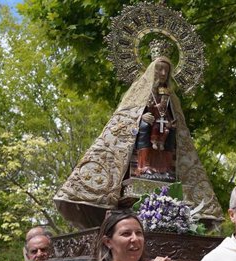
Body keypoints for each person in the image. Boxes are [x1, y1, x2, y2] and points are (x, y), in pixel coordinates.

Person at [54, 40, 222, 229]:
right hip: (143, 144)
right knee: (144, 135)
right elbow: (125, 128)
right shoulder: (138, 97)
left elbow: (177, 129)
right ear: (152, 71)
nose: (163, 74)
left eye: (167, 70)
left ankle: (163, 171)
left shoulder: (172, 101)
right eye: (159, 69)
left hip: (164, 138)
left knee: (169, 142)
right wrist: (143, 120)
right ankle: (144, 168)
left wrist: (171, 126)